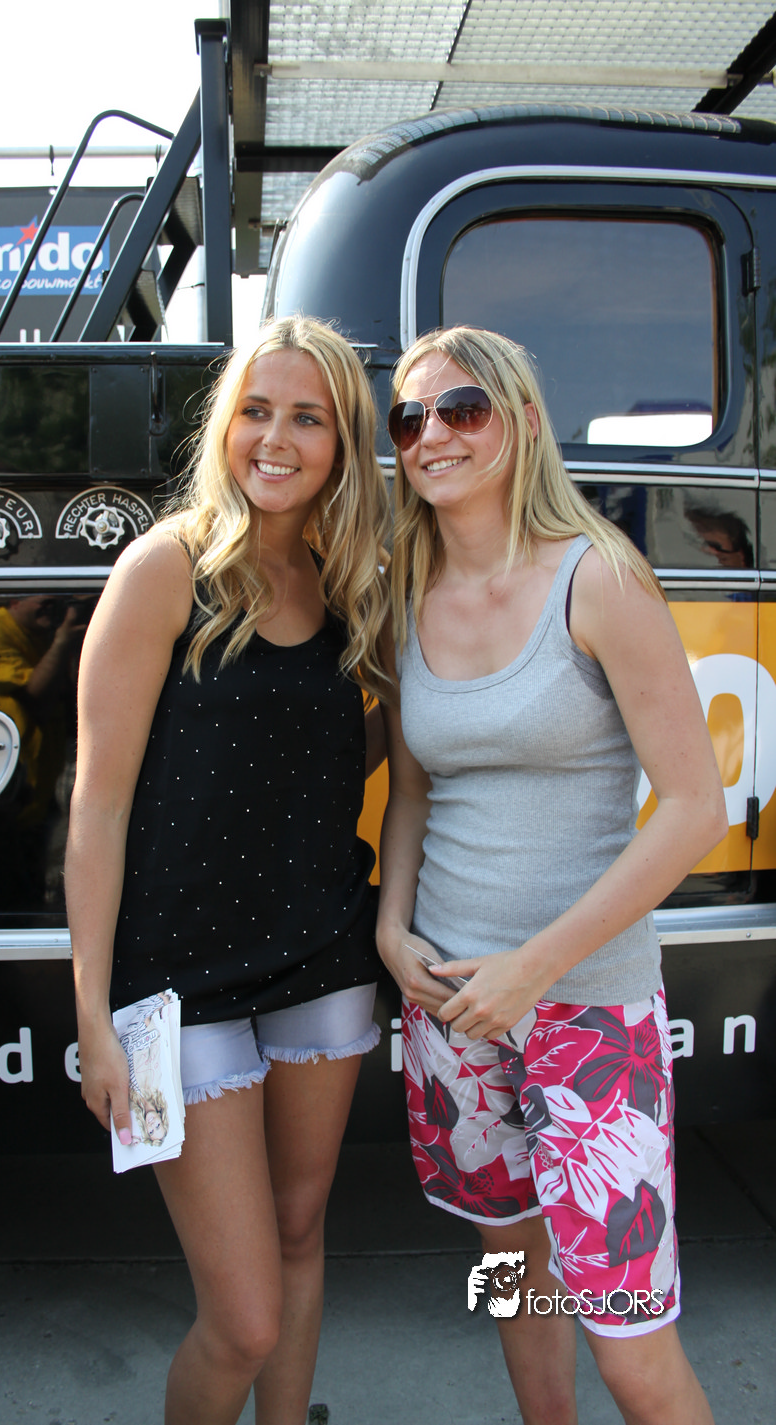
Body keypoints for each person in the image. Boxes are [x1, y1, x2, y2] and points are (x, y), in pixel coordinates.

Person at [376, 325, 727, 1425]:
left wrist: (533, 965)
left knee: (631, 1348)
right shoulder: (404, 593)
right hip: (449, 1010)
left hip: (587, 1012)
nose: (432, 435)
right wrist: (391, 926)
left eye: (462, 408)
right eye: (409, 418)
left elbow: (694, 808)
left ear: (523, 421)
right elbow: (412, 791)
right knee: (511, 1274)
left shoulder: (599, 578)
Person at [65, 316, 390, 1425]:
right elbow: (98, 805)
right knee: (243, 1316)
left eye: (307, 418)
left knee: (300, 1234)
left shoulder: (351, 583)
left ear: (342, 442)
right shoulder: (167, 569)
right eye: (255, 410)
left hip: (324, 956)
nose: (276, 439)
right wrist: (94, 1015)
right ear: (224, 425)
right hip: (176, 980)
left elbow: (346, 751)